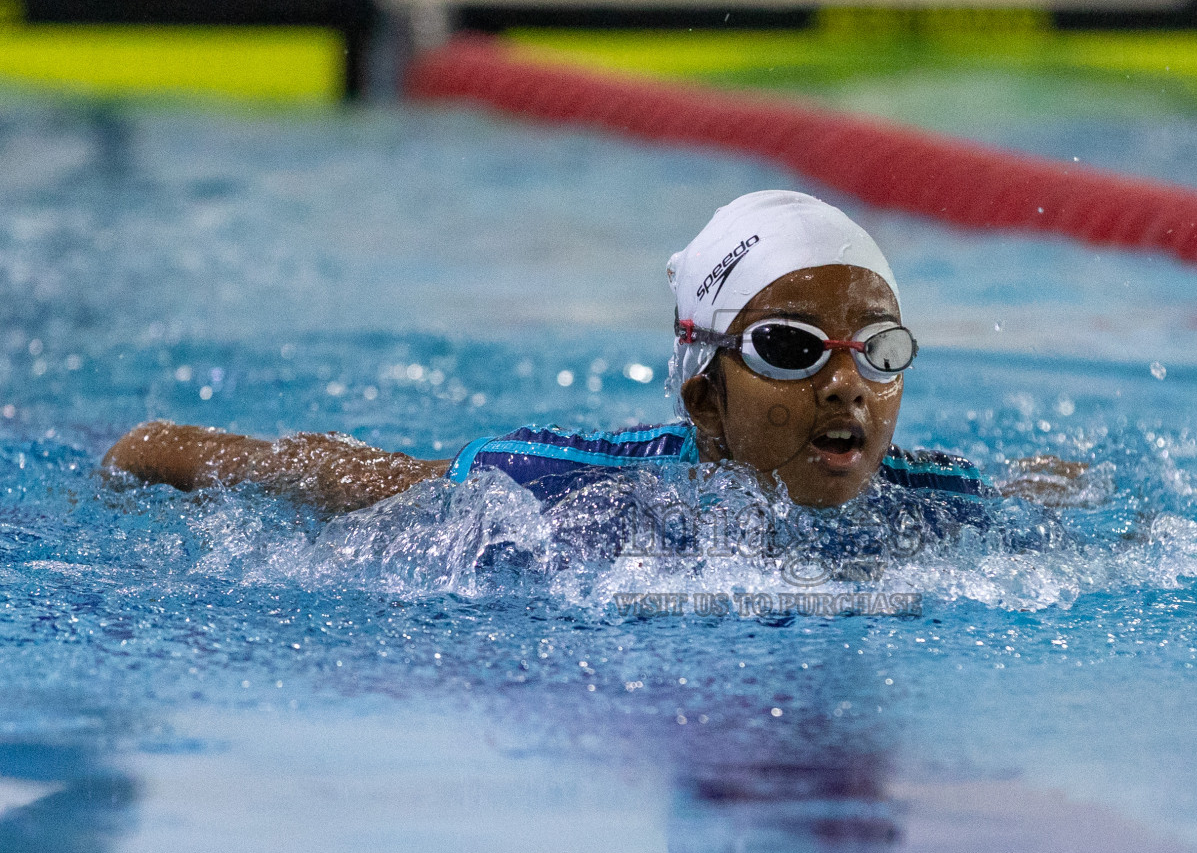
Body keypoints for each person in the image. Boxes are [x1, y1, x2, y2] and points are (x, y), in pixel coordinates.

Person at [103, 191, 1092, 515]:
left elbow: (1077, 500)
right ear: (704, 400)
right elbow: (337, 475)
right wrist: (157, 454)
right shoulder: (568, 494)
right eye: (792, 349)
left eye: (878, 351)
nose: (848, 384)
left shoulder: (944, 510)